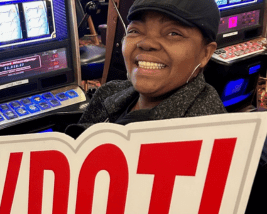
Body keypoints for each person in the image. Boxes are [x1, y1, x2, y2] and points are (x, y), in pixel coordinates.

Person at [65, 0, 227, 138]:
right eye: (135, 31)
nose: (146, 43)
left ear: (205, 53)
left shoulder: (208, 134)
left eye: (173, 33)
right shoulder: (108, 92)